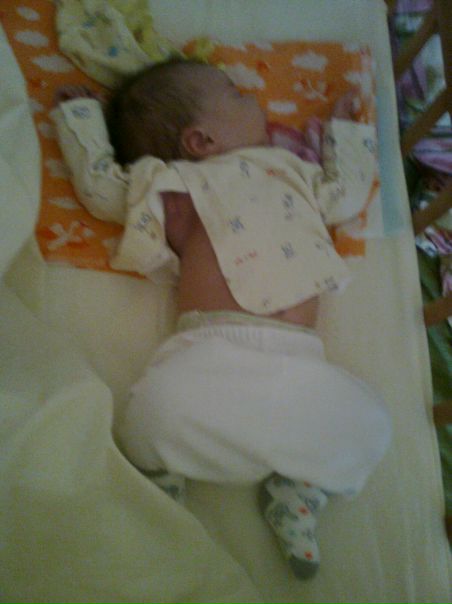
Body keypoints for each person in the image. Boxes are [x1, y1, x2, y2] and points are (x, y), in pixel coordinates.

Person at [52, 58, 391, 579]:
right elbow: (102, 191)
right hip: (212, 347)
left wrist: (346, 134)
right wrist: (81, 121)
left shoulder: (290, 170)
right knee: (156, 408)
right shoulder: (172, 184)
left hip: (299, 356)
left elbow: (344, 194)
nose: (253, 96)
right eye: (235, 93)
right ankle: (160, 482)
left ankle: (297, 491)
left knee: (371, 425)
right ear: (200, 140)